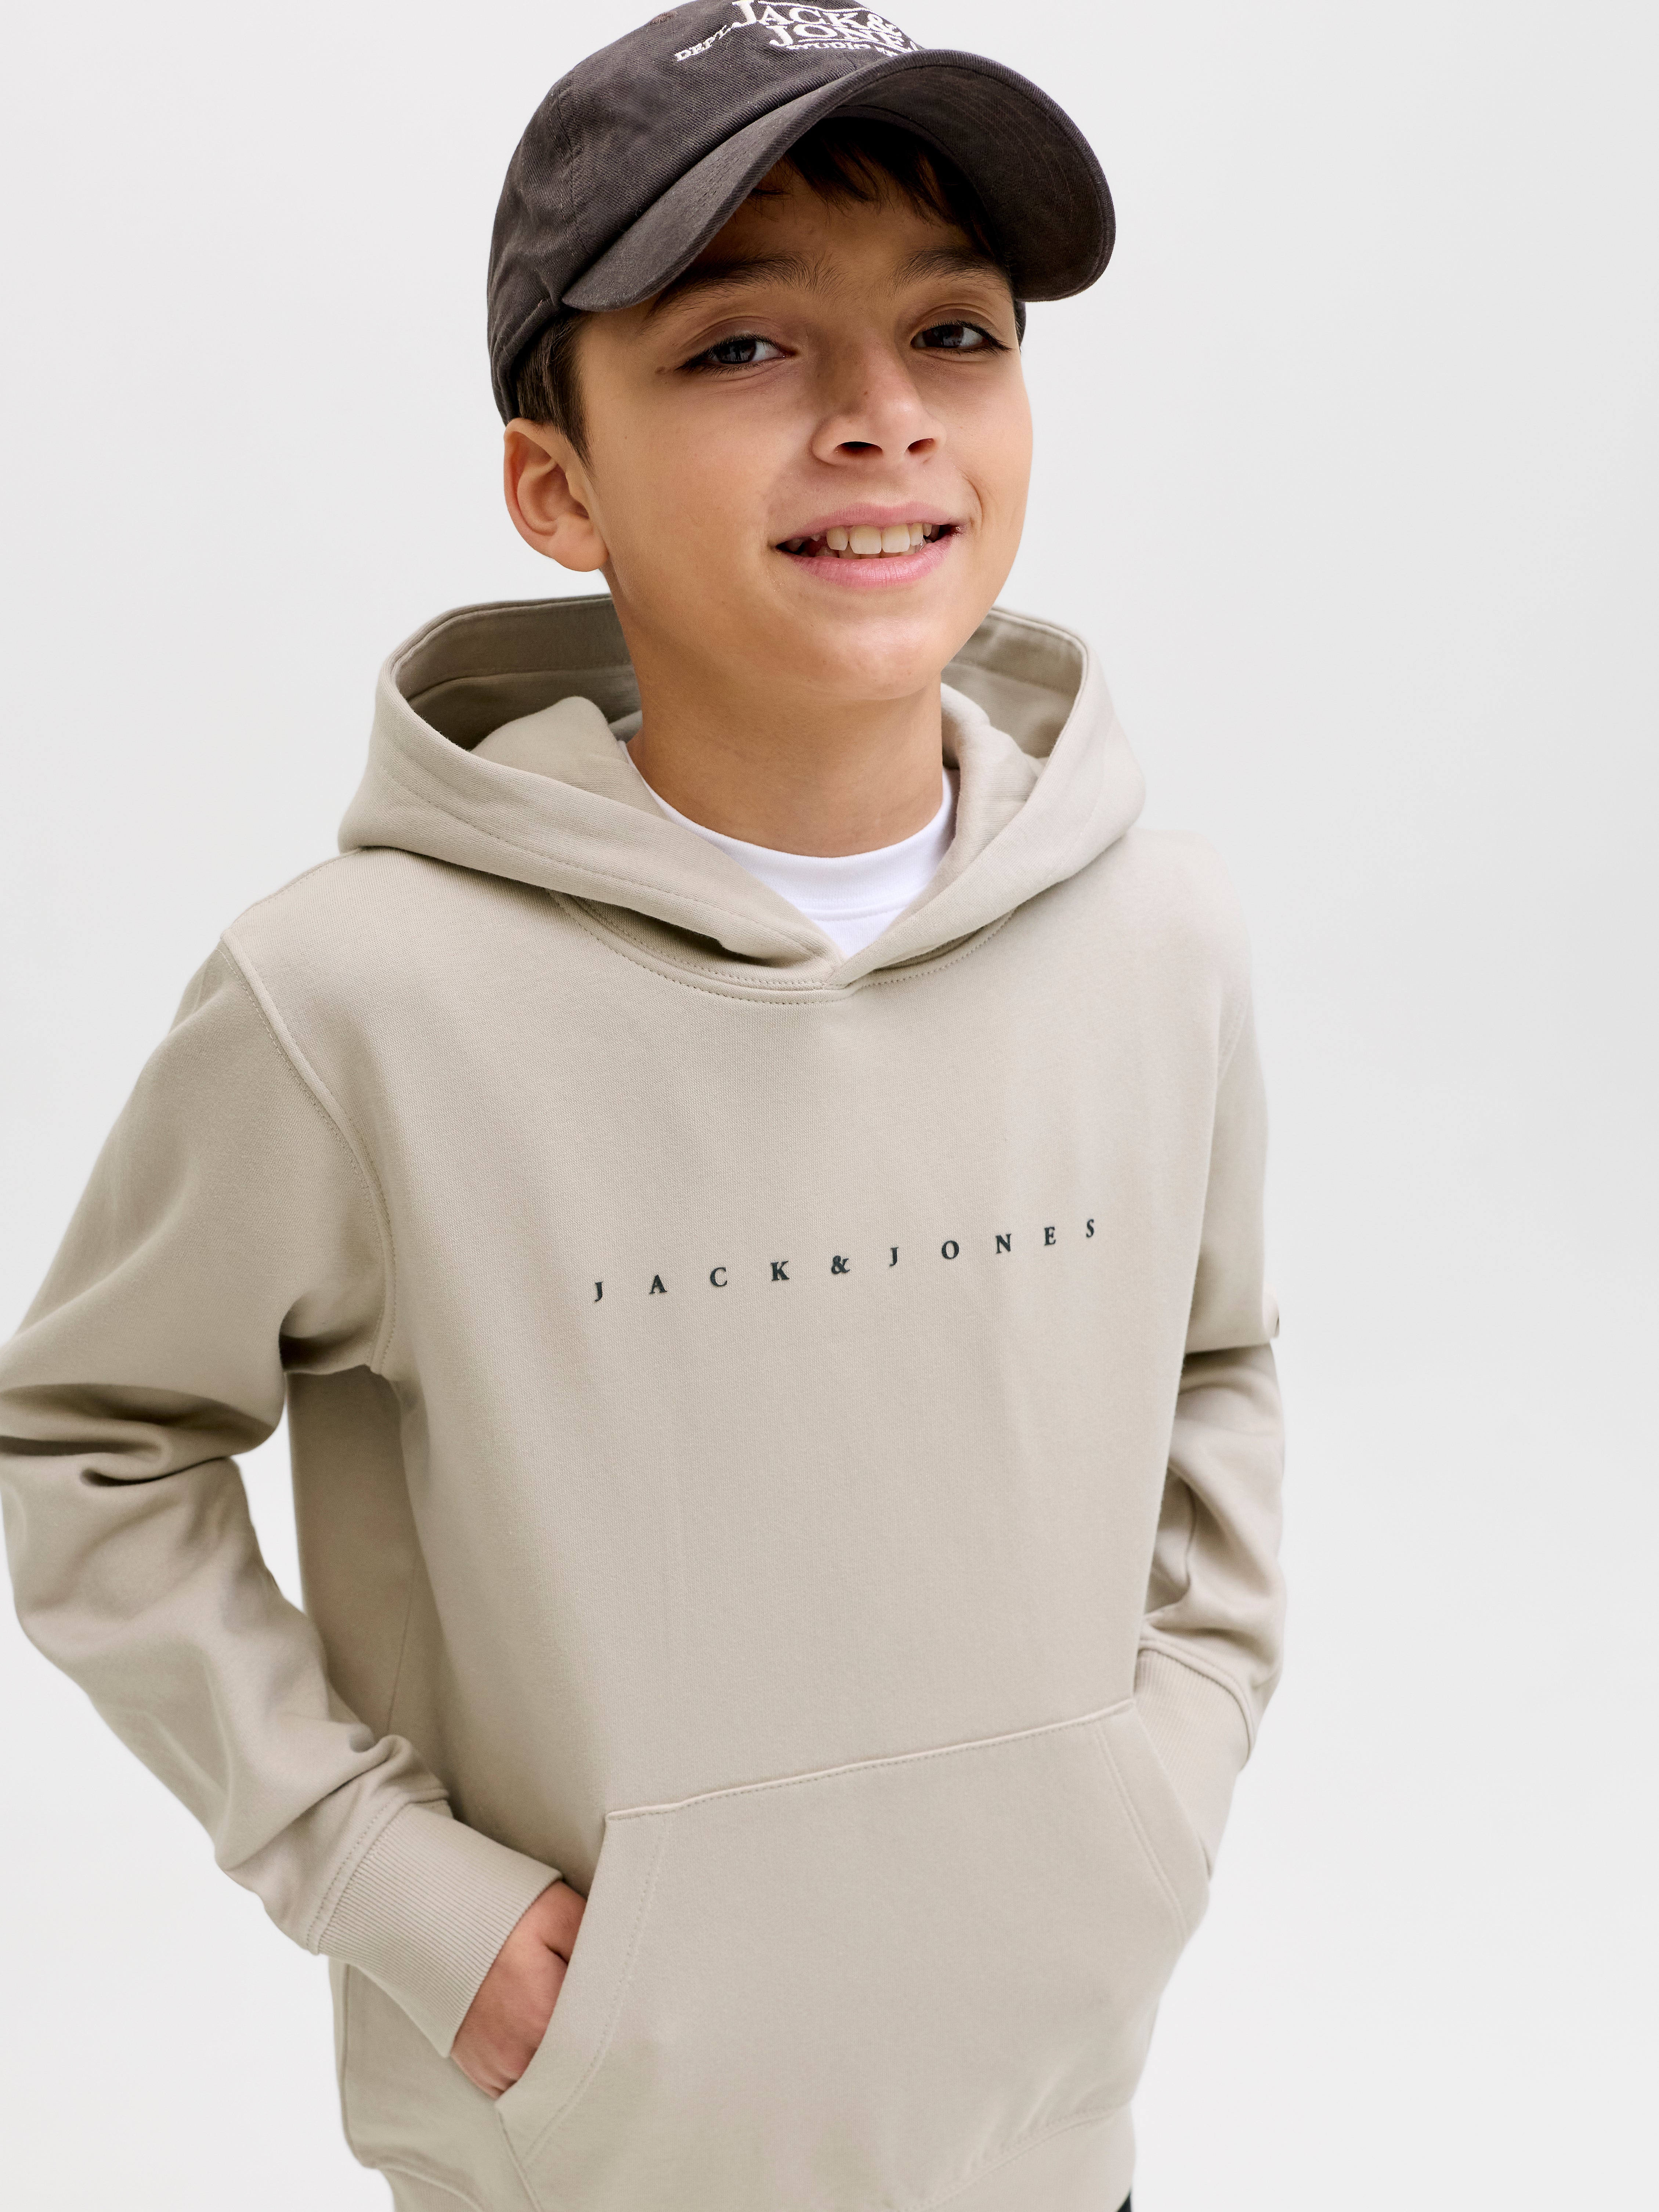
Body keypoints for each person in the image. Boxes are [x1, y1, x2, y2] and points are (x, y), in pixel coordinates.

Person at [0, 6, 1284, 2208]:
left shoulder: (1158, 939)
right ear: (556, 488)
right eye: (742, 347)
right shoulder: (354, 1000)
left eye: (955, 332)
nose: (882, 416)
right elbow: (85, 1447)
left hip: (1048, 2142)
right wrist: (396, 1888)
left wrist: (1167, 1765)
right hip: (591, 2158)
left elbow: (1216, 1362)